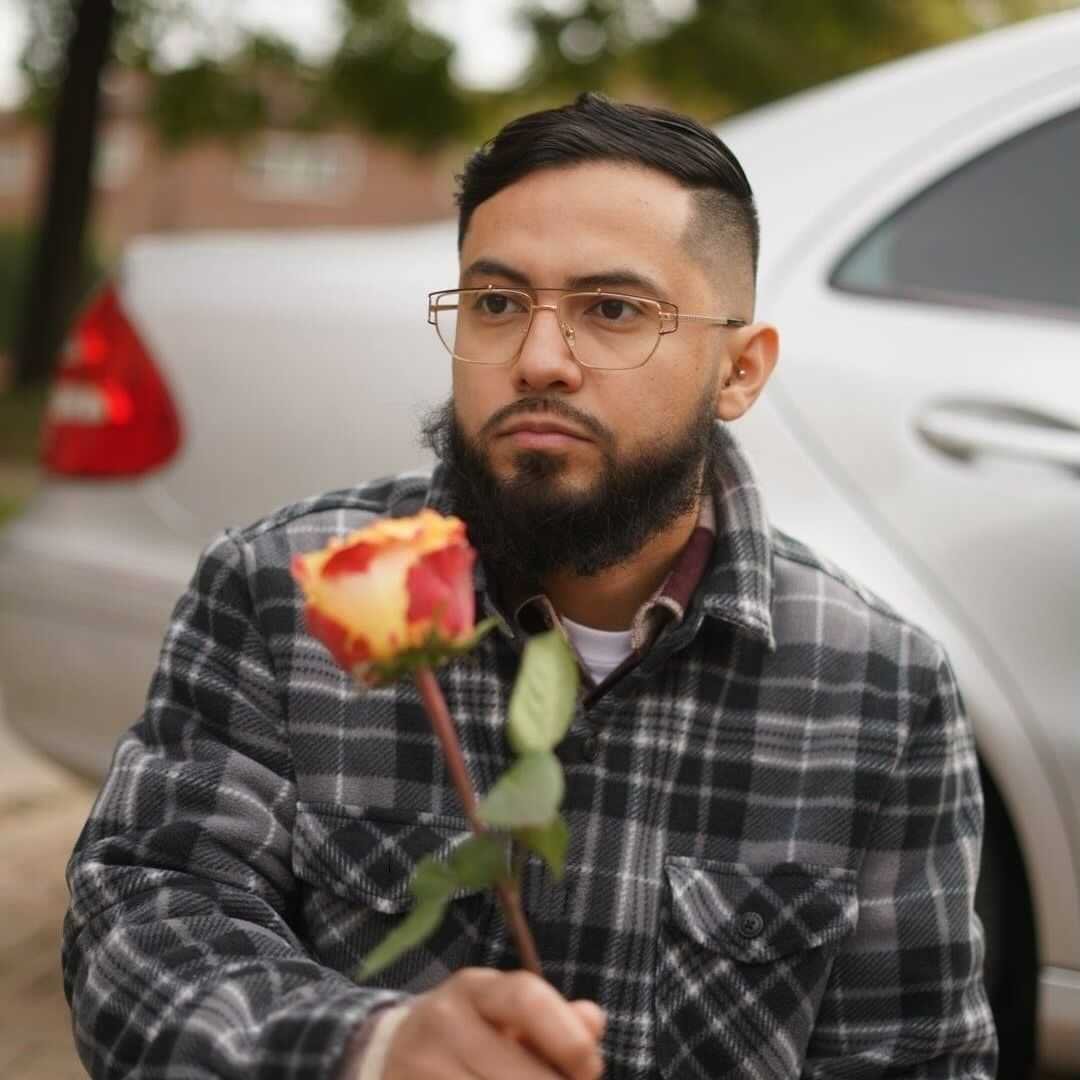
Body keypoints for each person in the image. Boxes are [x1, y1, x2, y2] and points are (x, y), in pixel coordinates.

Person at [63, 93, 997, 1079]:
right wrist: (370, 1050)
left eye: (612, 310)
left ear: (739, 370)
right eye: (498, 302)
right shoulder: (285, 590)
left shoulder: (883, 687)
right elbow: (141, 925)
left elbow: (916, 1058)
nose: (539, 360)